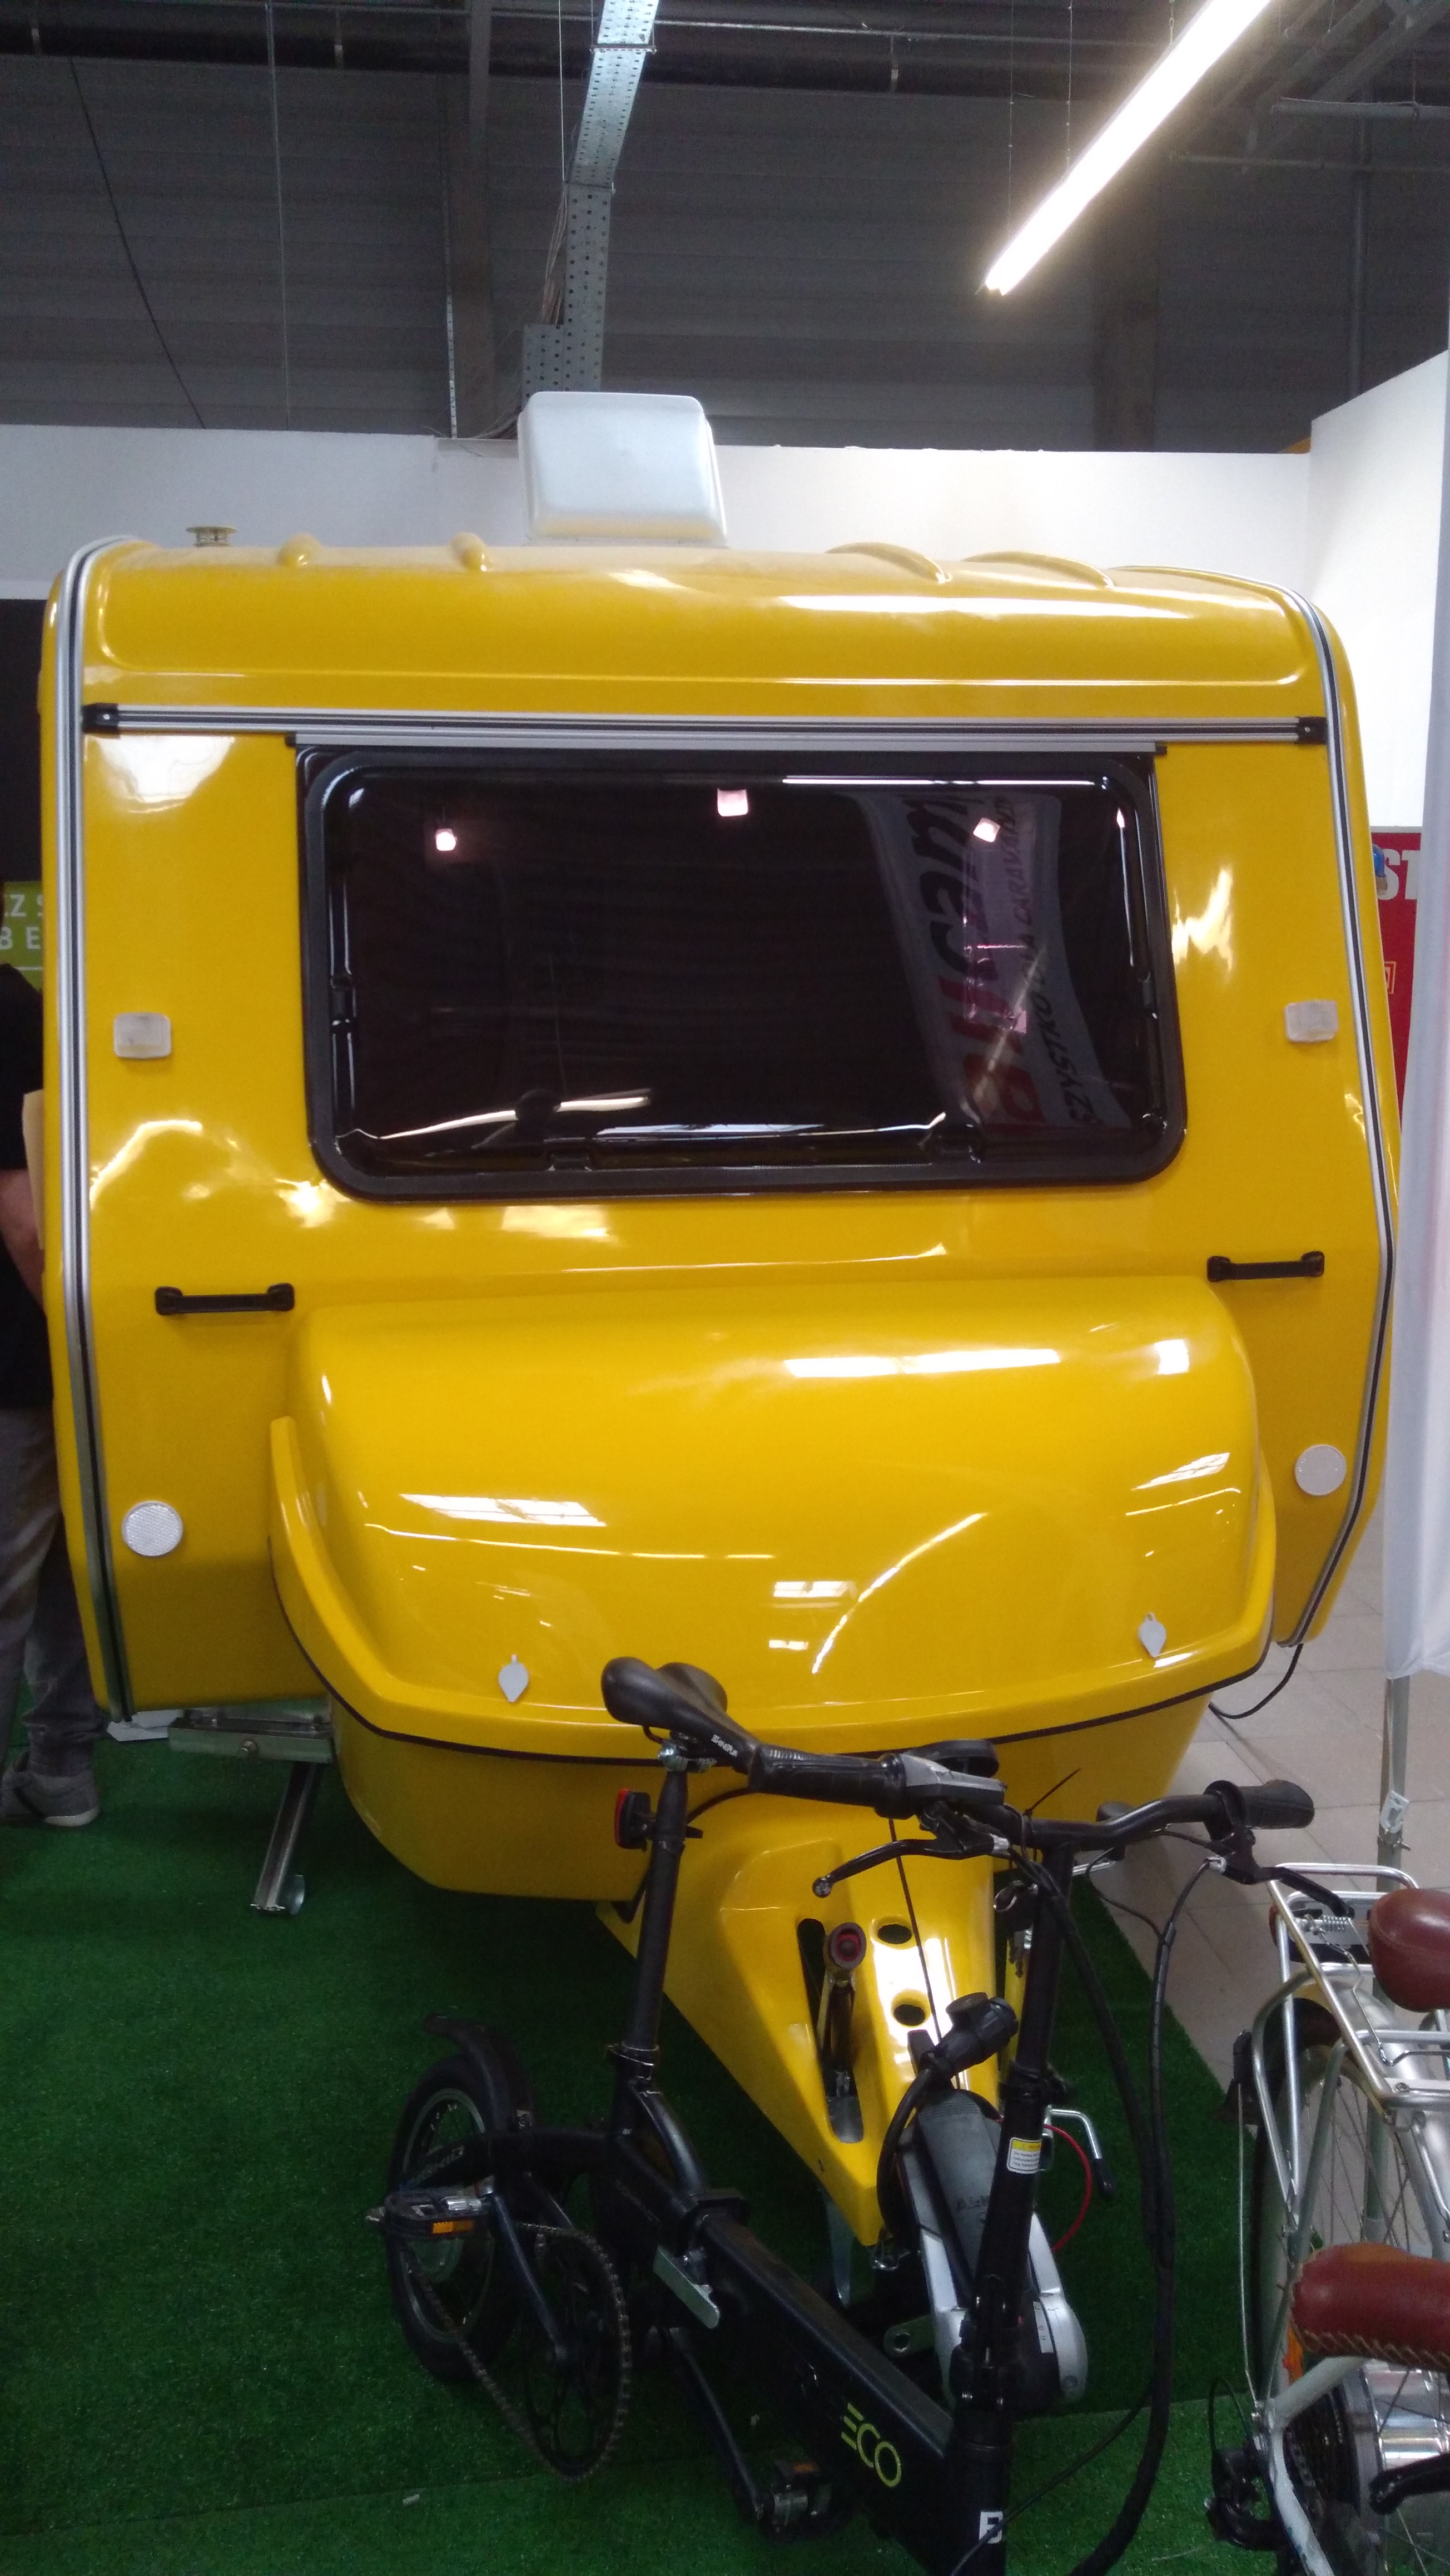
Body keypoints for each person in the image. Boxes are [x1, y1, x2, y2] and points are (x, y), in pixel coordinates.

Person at [0, 888, 104, 1825]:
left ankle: (59, 1767)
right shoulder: (29, 1010)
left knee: (13, 1575)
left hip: (22, 1350)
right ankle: (61, 1769)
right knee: (60, 1564)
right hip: (42, 1353)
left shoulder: (9, 1014)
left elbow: (25, 1218)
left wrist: (66, 1337)